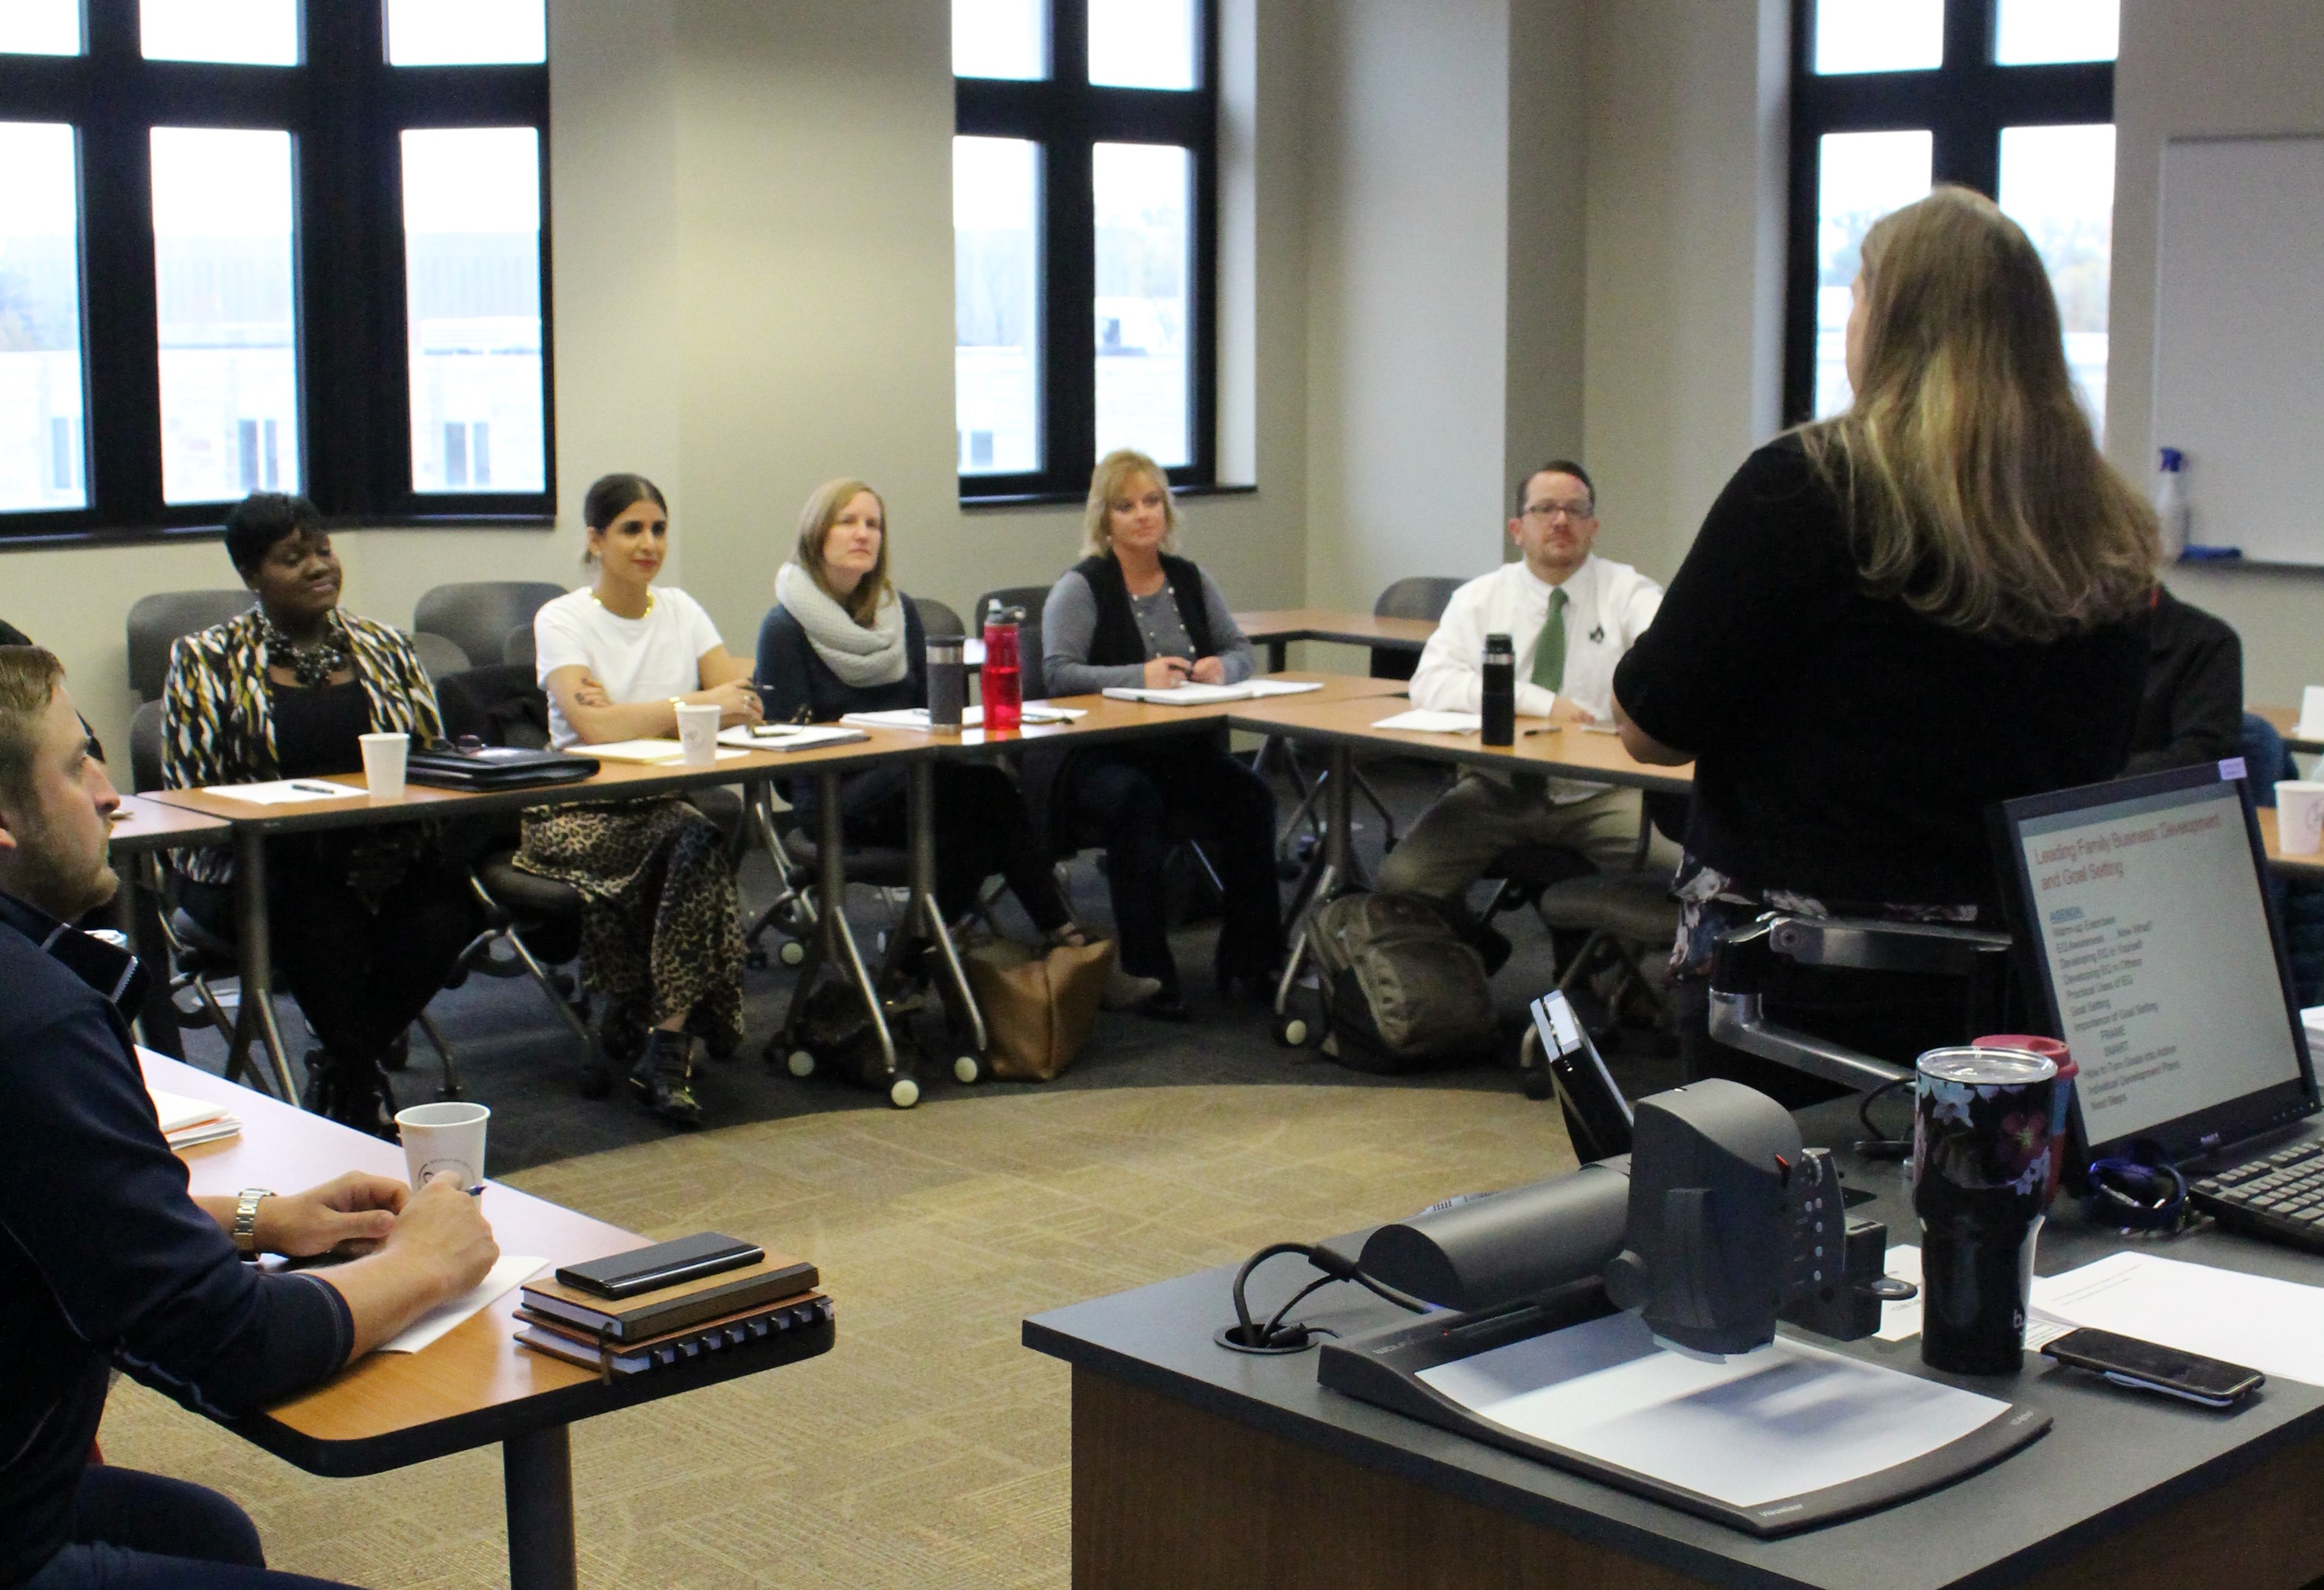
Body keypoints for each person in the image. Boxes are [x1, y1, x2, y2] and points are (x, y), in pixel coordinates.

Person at [1611, 186, 2155, 1098]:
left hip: (1795, 993)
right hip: (2017, 987)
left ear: (1890, 320)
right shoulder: (2105, 526)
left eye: (1858, 292)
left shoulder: (1807, 489)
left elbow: (1653, 724)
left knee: (1768, 1232)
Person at [0, 645, 500, 1590]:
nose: (111, 794)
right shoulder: (34, 1021)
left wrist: (252, 1221)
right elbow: (230, 1345)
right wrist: (423, 1264)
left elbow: (40, 1207)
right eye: (76, 765)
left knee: (206, 1534)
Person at [161, 494, 481, 1134]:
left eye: (323, 550)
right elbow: (190, 793)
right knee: (318, 911)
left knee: (453, 912)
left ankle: (344, 1065)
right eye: (292, 557)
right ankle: (357, 1089)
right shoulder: (205, 658)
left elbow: (427, 762)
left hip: (384, 857)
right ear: (252, 574)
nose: (317, 567)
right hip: (251, 869)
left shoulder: (386, 648)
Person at [757, 479, 1124, 982]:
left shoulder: (898, 612)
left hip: (910, 780)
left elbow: (928, 714)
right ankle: (1064, 938)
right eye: (848, 521)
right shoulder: (784, 627)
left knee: (980, 822)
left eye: (873, 523)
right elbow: (786, 744)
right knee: (991, 798)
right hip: (832, 792)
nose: (863, 533)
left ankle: (910, 964)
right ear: (817, 533)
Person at [519, 473, 760, 1126]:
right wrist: (697, 704)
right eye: (631, 529)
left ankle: (658, 1036)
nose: (648, 543)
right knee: (695, 838)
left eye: (658, 528)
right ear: (596, 540)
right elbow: (595, 730)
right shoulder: (564, 618)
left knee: (691, 834)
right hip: (575, 811)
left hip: (663, 805)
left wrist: (647, 711)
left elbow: (739, 700)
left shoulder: (681, 609)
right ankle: (670, 1041)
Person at [1379, 461, 1676, 947]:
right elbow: (1430, 683)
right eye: (1545, 509)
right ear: (1517, 529)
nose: (1561, 521)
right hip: (1497, 791)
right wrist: (1540, 702)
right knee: (1401, 881)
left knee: (1691, 876)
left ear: (1594, 527)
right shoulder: (1479, 598)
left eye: (1575, 510)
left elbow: (1669, 667)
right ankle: (1472, 956)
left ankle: (1616, 979)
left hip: (1598, 792)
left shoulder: (1631, 594)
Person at [1041, 448, 1284, 1019]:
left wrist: (1223, 668)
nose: (1143, 515)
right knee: (1135, 800)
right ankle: (1148, 968)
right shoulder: (1081, 587)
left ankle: (1253, 958)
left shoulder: (1191, 579)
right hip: (1100, 758)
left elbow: (1239, 648)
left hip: (1180, 749)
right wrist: (1138, 676)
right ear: (1105, 519)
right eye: (1126, 506)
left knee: (1252, 797)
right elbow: (1056, 673)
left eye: (1152, 502)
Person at [2124, 586, 2242, 774]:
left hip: (2151, 799)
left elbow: (2204, 756)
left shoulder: (2206, 641)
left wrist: (2098, 778)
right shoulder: (2066, 632)